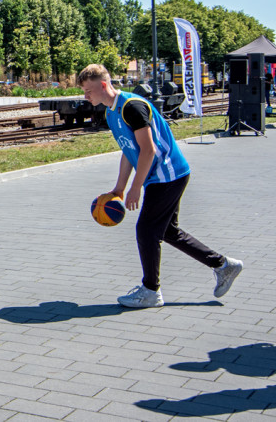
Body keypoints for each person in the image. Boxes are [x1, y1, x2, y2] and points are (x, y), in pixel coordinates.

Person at [77, 64, 243, 308]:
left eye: (88, 90)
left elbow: (148, 149)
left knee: (146, 230)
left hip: (168, 175)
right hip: (160, 177)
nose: (86, 96)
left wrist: (136, 187)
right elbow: (128, 150)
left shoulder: (131, 107)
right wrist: (119, 188)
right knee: (167, 231)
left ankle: (151, 291)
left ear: (103, 85)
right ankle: (223, 265)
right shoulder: (111, 112)